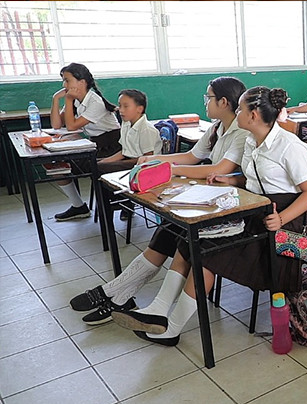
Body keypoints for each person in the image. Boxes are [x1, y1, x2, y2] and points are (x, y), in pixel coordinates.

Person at [112, 86, 307, 346]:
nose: (238, 112)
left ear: (253, 115)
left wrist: (281, 219)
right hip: (254, 214)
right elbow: (258, 176)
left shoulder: (288, 145)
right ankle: (158, 310)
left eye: (242, 109)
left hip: (284, 230)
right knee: (188, 240)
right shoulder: (251, 140)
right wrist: (231, 178)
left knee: (207, 252)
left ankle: (172, 328)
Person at [68, 77, 248, 325]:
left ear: (224, 102)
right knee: (169, 229)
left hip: (230, 206)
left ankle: (117, 293)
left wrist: (171, 170)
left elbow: (219, 168)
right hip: (211, 198)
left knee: (177, 231)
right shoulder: (217, 127)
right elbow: (192, 156)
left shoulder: (240, 131)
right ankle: (119, 292)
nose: (205, 102)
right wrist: (157, 162)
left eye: (208, 97)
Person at [49, 62, 121, 221]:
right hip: (95, 145)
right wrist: (55, 99)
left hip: (111, 148)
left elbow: (71, 126)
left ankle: (122, 202)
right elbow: (56, 125)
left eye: (67, 80)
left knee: (61, 164)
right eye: (63, 80)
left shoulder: (94, 102)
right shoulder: (77, 100)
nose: (64, 84)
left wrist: (67, 100)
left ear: (81, 82)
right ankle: (78, 206)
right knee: (55, 165)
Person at [99, 89, 162, 221]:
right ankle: (115, 201)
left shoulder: (146, 129)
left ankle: (123, 202)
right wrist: (105, 161)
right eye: (120, 105)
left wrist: (106, 165)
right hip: (130, 161)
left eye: (126, 106)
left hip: (144, 166)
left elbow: (148, 160)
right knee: (96, 164)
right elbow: (124, 151)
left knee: (100, 170)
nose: (120, 110)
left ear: (139, 109)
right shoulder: (126, 124)